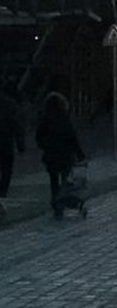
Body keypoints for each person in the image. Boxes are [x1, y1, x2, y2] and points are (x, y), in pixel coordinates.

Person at [35, 92, 85, 220]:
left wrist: (45, 146)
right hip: (65, 155)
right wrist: (80, 153)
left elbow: (38, 137)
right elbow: (72, 137)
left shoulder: (44, 119)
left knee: (53, 180)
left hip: (50, 155)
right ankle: (62, 200)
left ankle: (56, 203)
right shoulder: (65, 118)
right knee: (65, 179)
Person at [0, 82, 25, 209]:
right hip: (5, 141)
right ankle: (2, 194)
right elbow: (17, 126)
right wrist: (21, 145)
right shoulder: (11, 105)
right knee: (6, 169)